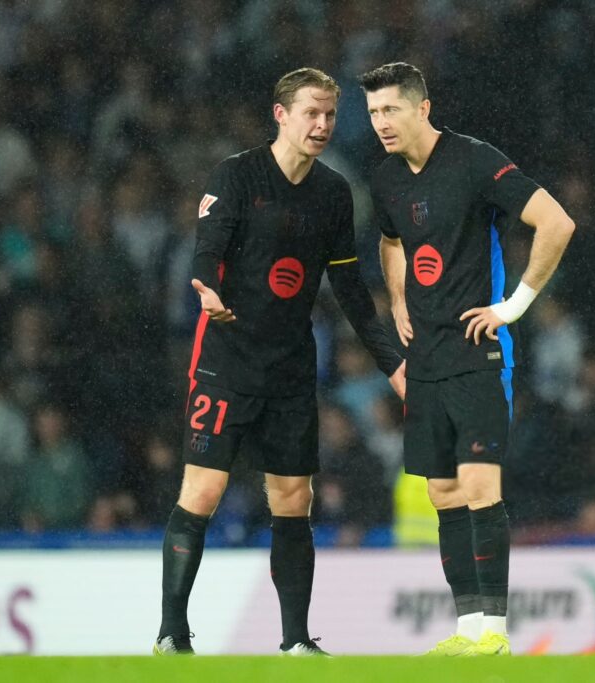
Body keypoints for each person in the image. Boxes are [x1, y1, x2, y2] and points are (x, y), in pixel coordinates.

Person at [154, 67, 405, 656]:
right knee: (203, 492)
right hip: (227, 359)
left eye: (330, 114)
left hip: (291, 367)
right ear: (281, 115)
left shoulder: (334, 193)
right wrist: (206, 287)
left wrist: (392, 363)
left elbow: (349, 290)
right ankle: (172, 633)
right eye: (311, 113)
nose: (322, 124)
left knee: (294, 500)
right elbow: (207, 251)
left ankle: (295, 642)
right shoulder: (237, 175)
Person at [361, 62, 576, 656]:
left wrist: (513, 307)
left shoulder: (474, 161)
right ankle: (468, 629)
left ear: (422, 108)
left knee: (480, 483)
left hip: (478, 348)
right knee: (443, 493)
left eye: (391, 109)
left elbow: (557, 222)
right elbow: (390, 240)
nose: (381, 123)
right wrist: (397, 298)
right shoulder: (386, 179)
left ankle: (497, 634)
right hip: (425, 355)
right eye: (373, 112)